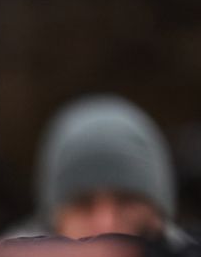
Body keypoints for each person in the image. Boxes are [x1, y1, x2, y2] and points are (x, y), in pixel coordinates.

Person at [19, 94, 179, 241]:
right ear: (54, 218)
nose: (106, 226)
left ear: (158, 214)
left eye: (126, 201)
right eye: (84, 203)